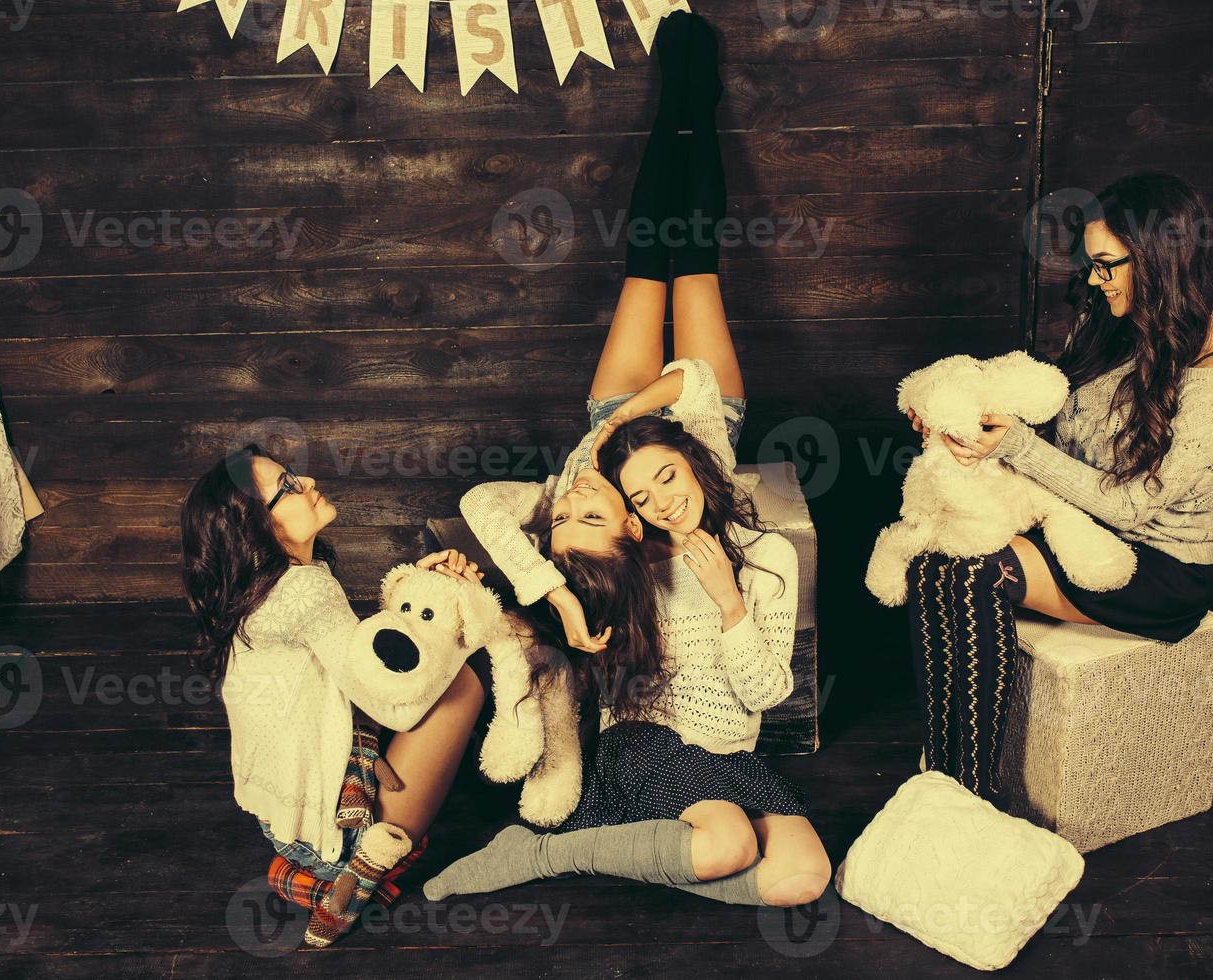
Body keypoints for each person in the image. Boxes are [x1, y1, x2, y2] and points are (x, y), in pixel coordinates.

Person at [424, 12, 830, 909]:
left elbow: (515, 498)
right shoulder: (649, 532)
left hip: (629, 420)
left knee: (654, 257)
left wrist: (614, 437)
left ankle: (683, 102)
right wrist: (565, 587)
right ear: (639, 516)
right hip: (697, 418)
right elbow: (687, 386)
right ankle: (691, 97)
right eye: (640, 504)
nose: (644, 507)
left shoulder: (600, 489)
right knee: (691, 259)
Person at [903, 171, 1213, 798]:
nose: (1094, 279)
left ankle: (967, 794)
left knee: (970, 568)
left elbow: (1134, 502)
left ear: (1158, 257)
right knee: (934, 559)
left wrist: (1013, 445)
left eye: (1106, 264)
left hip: (1161, 567)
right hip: (1080, 531)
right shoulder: (1115, 322)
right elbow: (1044, 410)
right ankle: (941, 775)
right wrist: (960, 413)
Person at [180, 443, 486, 936]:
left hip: (282, 827)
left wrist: (416, 590)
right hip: (335, 838)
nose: (306, 482)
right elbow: (395, 705)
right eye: (286, 488)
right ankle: (357, 872)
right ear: (257, 527)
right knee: (464, 683)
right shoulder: (303, 589)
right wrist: (458, 619)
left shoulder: (270, 586)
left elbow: (357, 655)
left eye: (292, 474)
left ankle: (300, 868)